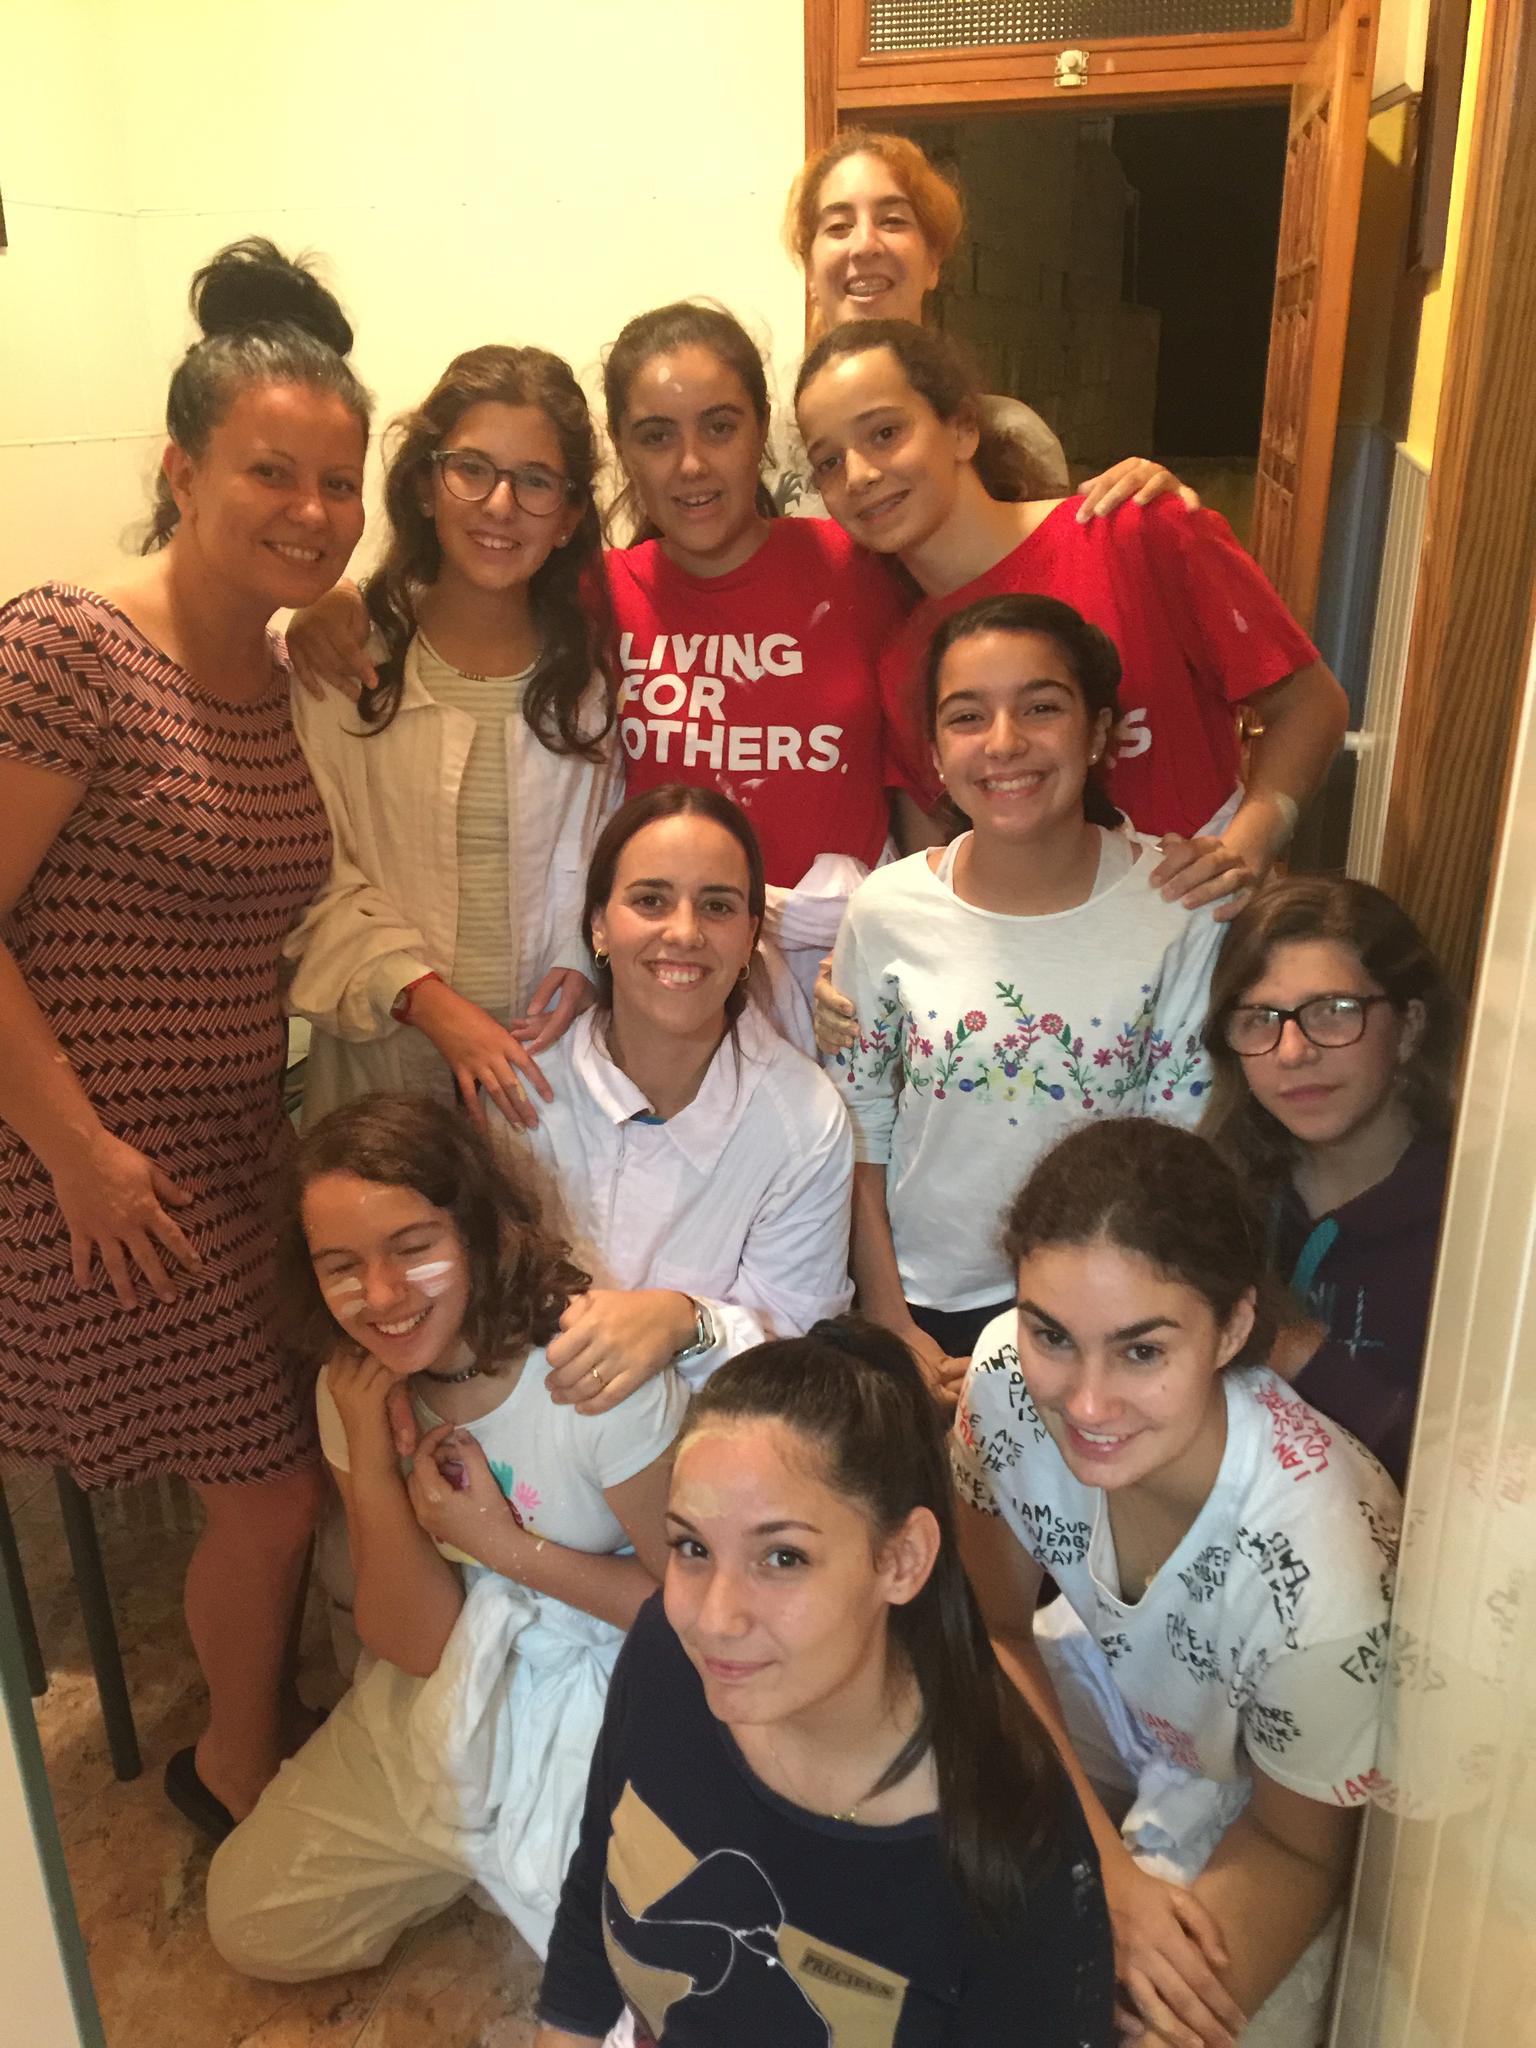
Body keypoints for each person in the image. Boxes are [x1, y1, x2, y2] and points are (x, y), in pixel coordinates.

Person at [0, 237, 371, 1830]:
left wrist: (327, 626)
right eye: (270, 472)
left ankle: (258, 1716)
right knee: (274, 1495)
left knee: (300, 1456)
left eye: (339, 483)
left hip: (231, 1151)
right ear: (181, 470)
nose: (310, 509)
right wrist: (77, 1154)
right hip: (89, 1168)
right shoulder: (66, 649)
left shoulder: (274, 669)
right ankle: (235, 1769)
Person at [535, 1317, 1115, 2047]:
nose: (714, 1619)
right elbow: (596, 1891)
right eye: (691, 1547)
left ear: (902, 1560)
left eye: (783, 1558)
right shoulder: (666, 1659)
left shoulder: (1010, 1850)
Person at [206, 1092, 684, 1974]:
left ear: (476, 1232)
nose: (383, 1296)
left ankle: (499, 1850)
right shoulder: (354, 1390)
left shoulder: (587, 1378)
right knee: (251, 1919)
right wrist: (371, 1461)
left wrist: (505, 1549)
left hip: (603, 1681)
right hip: (450, 1684)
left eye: (412, 1247)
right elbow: (417, 1643)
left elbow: (693, 1618)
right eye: (342, 1266)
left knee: (657, 1968)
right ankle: (478, 1851)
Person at [954, 1118, 1400, 2048]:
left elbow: (1298, 1848)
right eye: (1052, 1334)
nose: (1086, 1402)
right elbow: (993, 1628)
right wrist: (1105, 1873)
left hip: (1259, 1792)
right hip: (1113, 1683)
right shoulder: (1001, 1380)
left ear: (1233, 1327)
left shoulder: (1319, 1577)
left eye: (1143, 1350)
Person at [795, 317, 1350, 897]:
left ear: (962, 429)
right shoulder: (903, 659)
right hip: (1036, 941)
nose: (859, 474)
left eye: (885, 433)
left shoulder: (1135, 533)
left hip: (1199, 918)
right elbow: (937, 852)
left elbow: (1311, 705)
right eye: (828, 461)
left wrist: (1244, 851)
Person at [825, 594, 1222, 1399]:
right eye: (967, 717)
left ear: (1098, 732)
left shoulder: (1178, 907)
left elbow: (1179, 1150)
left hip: (1107, 1313)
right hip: (926, 1307)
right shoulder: (886, 909)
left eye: (1041, 707)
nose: (1004, 743)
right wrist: (889, 1316)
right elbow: (860, 1129)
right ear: (935, 753)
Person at [283, 343, 620, 1137]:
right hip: (381, 1069)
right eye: (471, 468)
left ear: (568, 517)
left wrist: (584, 960)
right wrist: (429, 1003)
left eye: (535, 481)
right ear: (425, 487)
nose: (501, 504)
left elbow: (603, 856)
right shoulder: (345, 665)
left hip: (548, 1075)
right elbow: (309, 880)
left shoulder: (592, 680)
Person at [526, 785, 855, 1418]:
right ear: (598, 924)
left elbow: (799, 1348)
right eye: (650, 900)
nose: (683, 932)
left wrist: (687, 1323)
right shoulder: (523, 1089)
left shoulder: (802, 1118)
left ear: (751, 935)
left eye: (717, 906)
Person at [781, 126, 1191, 521]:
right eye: (838, 226)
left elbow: (1054, 560)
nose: (864, 244)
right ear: (810, 272)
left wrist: (1152, 517)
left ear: (933, 262)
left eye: (892, 220)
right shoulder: (768, 445)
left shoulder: (1013, 434)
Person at [1201, 876, 1459, 1485]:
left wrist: (1300, 1355)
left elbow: (1481, 1476)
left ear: (1410, 1026)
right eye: (1260, 1019)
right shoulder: (1210, 1198)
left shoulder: (1476, 1223)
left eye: (1335, 1011)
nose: (1292, 1051)